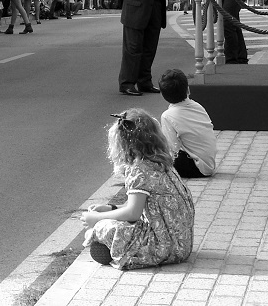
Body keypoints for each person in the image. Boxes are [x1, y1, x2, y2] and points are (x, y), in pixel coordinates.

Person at [81, 108, 194, 269]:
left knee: (101, 229)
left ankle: (118, 250)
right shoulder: (162, 162)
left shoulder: (139, 169)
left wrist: (97, 219)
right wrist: (109, 208)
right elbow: (141, 205)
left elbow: (133, 213)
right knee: (108, 222)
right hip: (182, 244)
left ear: (123, 143)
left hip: (164, 246)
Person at [158, 69, 217, 178]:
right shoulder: (198, 106)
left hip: (196, 167)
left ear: (163, 95)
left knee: (156, 159)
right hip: (209, 162)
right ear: (188, 90)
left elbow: (172, 148)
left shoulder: (167, 116)